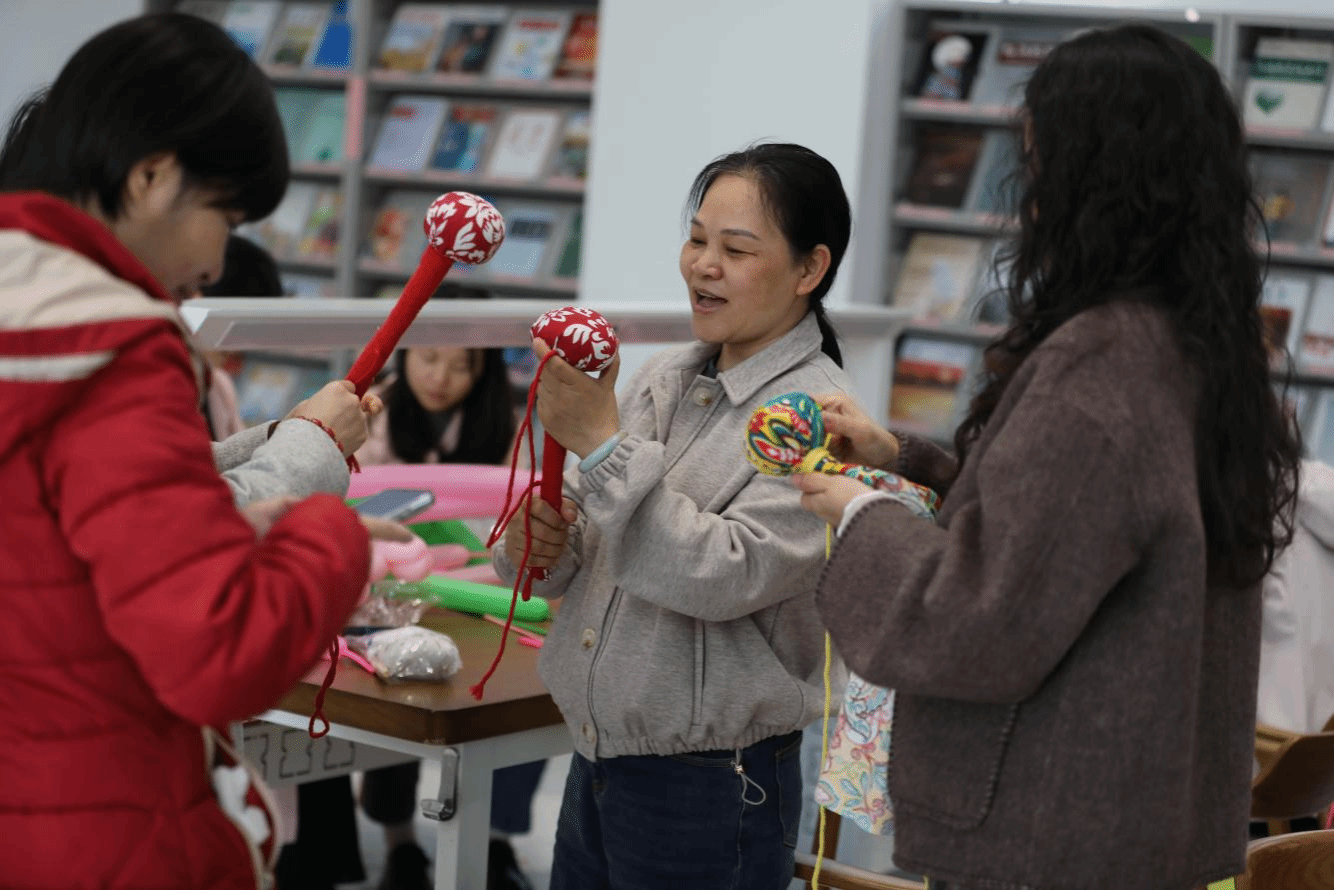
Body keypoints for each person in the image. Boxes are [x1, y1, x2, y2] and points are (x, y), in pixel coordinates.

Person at [792, 24, 1302, 890]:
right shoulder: (1200, 344)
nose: (1026, 192)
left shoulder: (1101, 362)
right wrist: (903, 460)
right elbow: (1073, 533)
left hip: (1052, 828)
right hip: (1136, 816)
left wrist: (861, 511)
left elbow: (978, 618)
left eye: (1037, 161)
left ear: (1088, 178)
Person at [0, 13, 406, 888]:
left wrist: (224, 509)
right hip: (110, 827)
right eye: (225, 214)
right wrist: (329, 535)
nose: (220, 263)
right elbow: (219, 653)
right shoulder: (114, 347)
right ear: (152, 175)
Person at [494, 142, 853, 889]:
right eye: (696, 240)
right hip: (598, 755)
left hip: (713, 785)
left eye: (736, 250)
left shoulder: (817, 418)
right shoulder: (665, 376)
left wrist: (601, 446)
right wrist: (538, 544)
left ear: (809, 270)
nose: (703, 266)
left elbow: (723, 574)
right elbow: (576, 555)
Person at [352, 282, 541, 890]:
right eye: (428, 357)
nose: (440, 377)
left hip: (477, 596)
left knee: (510, 705)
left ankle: (496, 842)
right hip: (391, 599)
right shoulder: (373, 416)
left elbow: (513, 526)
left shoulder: (507, 427)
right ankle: (400, 843)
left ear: (484, 371)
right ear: (405, 352)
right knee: (395, 711)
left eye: (462, 365)